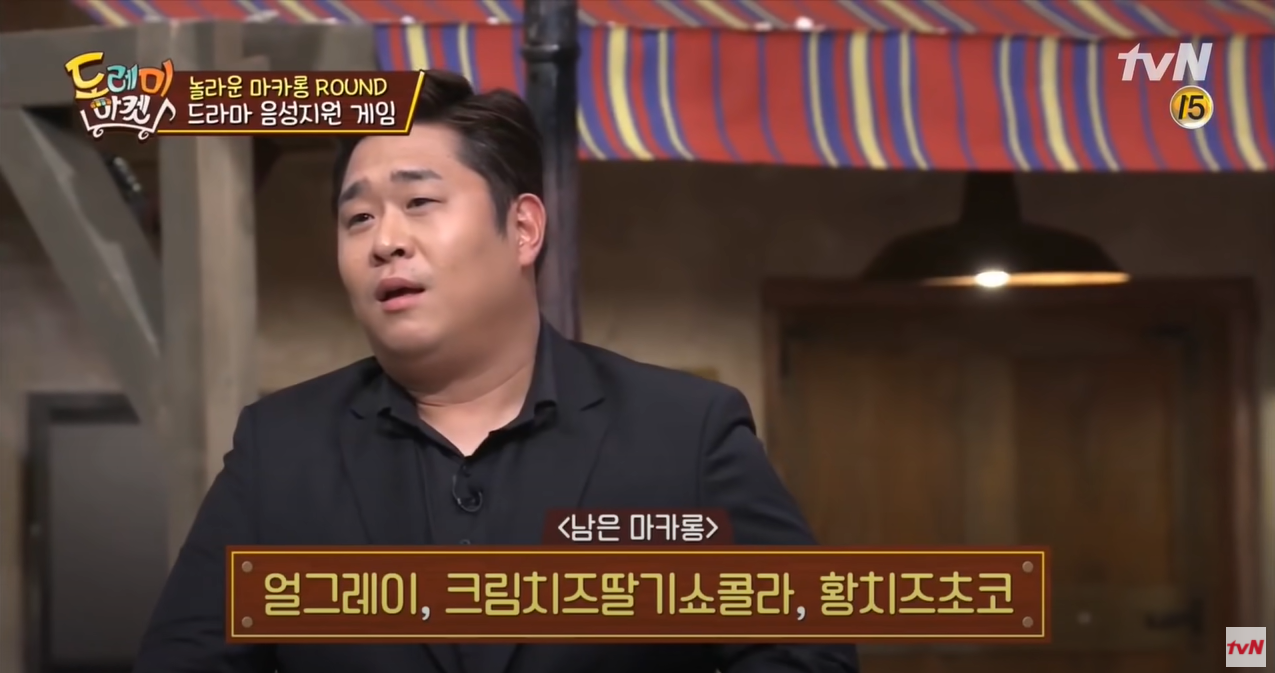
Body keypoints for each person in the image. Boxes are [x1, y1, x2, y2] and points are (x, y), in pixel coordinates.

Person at [133, 70, 858, 673]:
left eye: (419, 202)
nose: (385, 241)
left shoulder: (682, 434)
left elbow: (806, 653)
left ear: (523, 228)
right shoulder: (280, 450)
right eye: (358, 219)